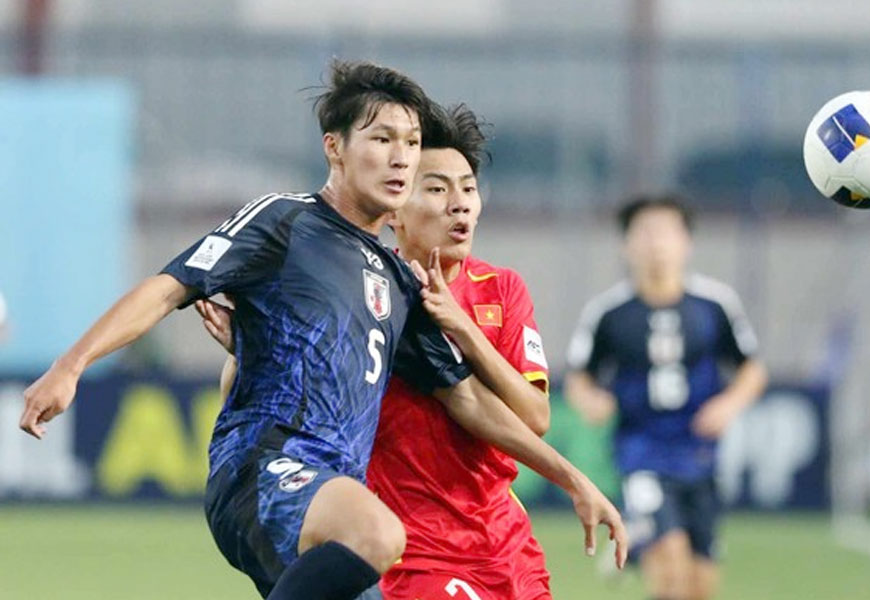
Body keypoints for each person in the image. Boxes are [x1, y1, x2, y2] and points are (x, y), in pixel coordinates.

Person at [21, 61, 624, 600]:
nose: (401, 157)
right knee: (380, 532)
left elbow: (466, 400)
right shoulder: (286, 221)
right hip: (267, 467)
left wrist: (574, 480)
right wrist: (72, 365)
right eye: (382, 139)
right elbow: (170, 286)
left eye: (412, 142)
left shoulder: (399, 282)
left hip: (333, 496)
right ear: (334, 148)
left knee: (371, 545)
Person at [199, 103, 564, 599]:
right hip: (414, 544)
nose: (459, 204)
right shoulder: (366, 290)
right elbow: (248, 392)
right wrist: (251, 348)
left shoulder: (501, 289)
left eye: (468, 189)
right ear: (395, 210)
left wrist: (463, 328)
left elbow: (533, 416)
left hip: (501, 538)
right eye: (436, 189)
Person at [564, 195, 768, 600]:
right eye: (645, 232)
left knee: (699, 585)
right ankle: (646, 536)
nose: (656, 242)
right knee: (671, 568)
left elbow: (751, 369)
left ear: (686, 242)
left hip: (701, 457)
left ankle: (639, 540)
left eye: (666, 232)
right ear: (626, 244)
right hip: (641, 454)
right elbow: (578, 376)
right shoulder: (609, 312)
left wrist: (727, 405)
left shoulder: (715, 304)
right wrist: (591, 401)